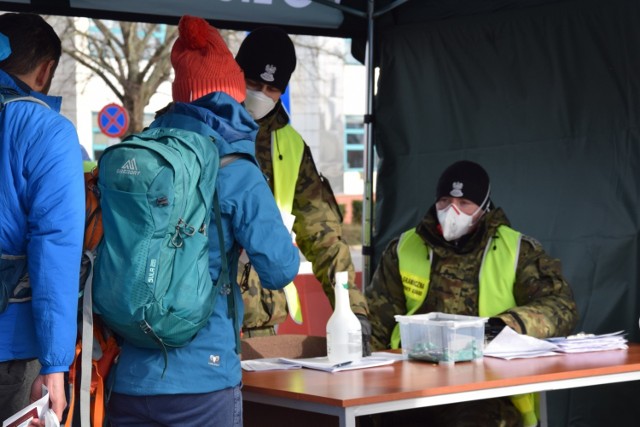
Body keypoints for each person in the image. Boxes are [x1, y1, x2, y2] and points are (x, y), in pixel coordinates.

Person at [106, 16, 300, 426]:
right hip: (202, 378)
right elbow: (281, 268)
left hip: (128, 378)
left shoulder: (139, 157)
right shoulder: (235, 165)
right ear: (231, 95)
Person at [366, 160, 578, 427]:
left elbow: (562, 306)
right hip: (410, 383)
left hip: (490, 388)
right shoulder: (404, 248)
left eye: (465, 203)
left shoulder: (517, 250)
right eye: (444, 201)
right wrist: (367, 381)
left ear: (484, 207)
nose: (452, 211)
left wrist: (504, 326)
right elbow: (374, 321)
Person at [235, 27, 371, 352]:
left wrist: (353, 311)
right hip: (194, 321)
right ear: (234, 74)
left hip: (261, 323)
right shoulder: (198, 129)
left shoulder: (290, 145)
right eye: (253, 84)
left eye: (271, 89)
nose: (260, 95)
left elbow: (323, 236)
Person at [0, 13, 85, 424]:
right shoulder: (47, 131)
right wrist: (55, 364)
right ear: (46, 69)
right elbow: (55, 248)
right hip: (12, 350)